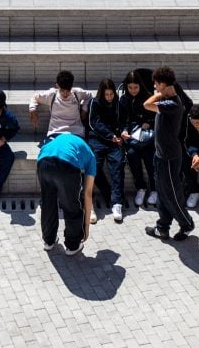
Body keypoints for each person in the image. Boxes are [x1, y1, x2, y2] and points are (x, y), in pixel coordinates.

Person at [143, 66, 195, 242]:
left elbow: (146, 104)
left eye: (157, 84)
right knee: (162, 193)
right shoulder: (168, 100)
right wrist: (162, 92)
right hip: (160, 155)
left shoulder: (173, 103)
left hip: (169, 157)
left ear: (164, 85)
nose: (155, 88)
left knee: (172, 194)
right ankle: (162, 227)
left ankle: (186, 223)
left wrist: (159, 94)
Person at [36, 132, 96, 255]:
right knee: (71, 205)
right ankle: (73, 246)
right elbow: (88, 194)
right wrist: (86, 228)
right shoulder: (91, 156)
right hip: (66, 165)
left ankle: (48, 241)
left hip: (43, 162)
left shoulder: (64, 138)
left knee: (48, 203)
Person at [87, 78, 126, 223]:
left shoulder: (118, 104)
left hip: (114, 140)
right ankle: (108, 193)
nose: (109, 97)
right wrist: (110, 136)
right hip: (97, 139)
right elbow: (94, 123)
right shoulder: (94, 103)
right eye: (107, 94)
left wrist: (121, 133)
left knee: (117, 166)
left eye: (111, 94)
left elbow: (122, 121)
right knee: (94, 167)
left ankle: (117, 203)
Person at [119, 69, 158, 208]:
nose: (133, 90)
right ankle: (140, 188)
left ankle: (154, 189)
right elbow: (123, 119)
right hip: (133, 137)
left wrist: (149, 122)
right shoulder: (124, 99)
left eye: (136, 87)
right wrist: (123, 130)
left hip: (147, 137)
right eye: (130, 87)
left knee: (150, 158)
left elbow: (157, 116)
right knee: (131, 155)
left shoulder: (148, 97)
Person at [29, 71, 90, 141]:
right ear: (57, 86)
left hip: (76, 133)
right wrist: (33, 111)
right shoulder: (52, 95)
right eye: (62, 90)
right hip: (55, 133)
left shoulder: (77, 93)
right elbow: (34, 97)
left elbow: (89, 96)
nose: (65, 94)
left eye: (68, 91)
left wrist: (84, 110)